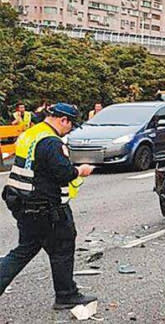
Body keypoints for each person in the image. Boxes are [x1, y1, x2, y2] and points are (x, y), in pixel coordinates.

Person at [0, 103, 97, 309]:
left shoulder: (31, 134)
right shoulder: (51, 142)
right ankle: (66, 295)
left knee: (25, 249)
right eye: (70, 125)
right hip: (45, 207)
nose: (69, 130)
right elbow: (63, 173)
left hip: (22, 202)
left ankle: (66, 292)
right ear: (64, 120)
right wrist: (81, 170)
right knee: (62, 246)